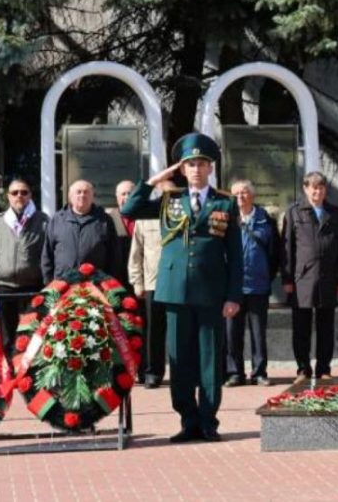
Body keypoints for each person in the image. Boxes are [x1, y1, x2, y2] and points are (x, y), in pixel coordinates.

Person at [121, 132, 243, 443]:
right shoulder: (168, 199)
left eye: (202, 164)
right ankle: (187, 419)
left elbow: (236, 254)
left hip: (211, 291)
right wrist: (156, 179)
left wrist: (232, 296)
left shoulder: (225, 201)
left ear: (210, 168)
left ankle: (208, 421)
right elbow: (129, 210)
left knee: (210, 359)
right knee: (178, 357)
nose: (197, 169)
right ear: (182, 169)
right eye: (190, 164)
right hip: (174, 290)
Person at [282, 172, 338, 381]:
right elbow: (287, 247)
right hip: (302, 278)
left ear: (325, 190)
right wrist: (287, 279)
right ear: (305, 188)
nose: (317, 191)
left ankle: (324, 368)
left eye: (320, 188)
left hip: (328, 278)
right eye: (313, 187)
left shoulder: (335, 212)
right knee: (301, 326)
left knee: (326, 326)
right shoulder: (294, 212)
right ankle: (303, 368)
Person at [0, 178, 49, 356]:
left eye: (24, 192)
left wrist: (48, 285)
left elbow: (49, 255)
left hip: (33, 289)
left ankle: (29, 376)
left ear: (30, 195)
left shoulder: (43, 222)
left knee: (33, 336)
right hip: (5, 290)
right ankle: (10, 376)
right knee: (6, 337)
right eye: (15, 192)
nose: (19, 196)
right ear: (8, 197)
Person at [223, 180, 279, 387]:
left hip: (258, 286)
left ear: (252, 196)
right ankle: (235, 373)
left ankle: (259, 372)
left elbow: (275, 252)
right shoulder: (226, 219)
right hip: (233, 287)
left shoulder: (265, 219)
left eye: (244, 193)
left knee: (258, 332)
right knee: (232, 333)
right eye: (236, 193)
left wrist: (267, 275)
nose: (240, 197)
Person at [41, 179, 116, 280]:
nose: (82, 195)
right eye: (78, 192)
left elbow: (114, 255)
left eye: (86, 192)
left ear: (92, 196)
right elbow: (47, 253)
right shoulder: (57, 220)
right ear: (70, 197)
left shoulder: (104, 220)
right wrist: (49, 283)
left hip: (95, 284)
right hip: (62, 285)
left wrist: (109, 283)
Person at [128, 213, 167, 389]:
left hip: (179, 281)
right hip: (153, 282)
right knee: (153, 331)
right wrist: (137, 281)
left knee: (180, 330)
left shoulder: (182, 211)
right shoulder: (144, 217)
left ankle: (183, 372)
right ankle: (153, 372)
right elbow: (136, 252)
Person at [107, 180, 136, 280]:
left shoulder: (145, 217)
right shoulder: (108, 218)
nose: (127, 197)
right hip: (116, 274)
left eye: (130, 193)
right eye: (123, 194)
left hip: (140, 273)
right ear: (117, 197)